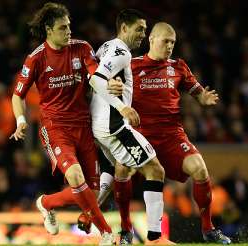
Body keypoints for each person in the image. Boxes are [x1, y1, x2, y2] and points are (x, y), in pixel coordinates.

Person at [80, 22, 232, 244]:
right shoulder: (131, 64)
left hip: (172, 136)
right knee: (122, 170)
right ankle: (126, 229)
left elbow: (197, 91)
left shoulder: (178, 67)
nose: (169, 46)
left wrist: (204, 98)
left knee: (199, 169)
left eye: (173, 42)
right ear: (151, 39)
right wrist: (113, 85)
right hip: (140, 132)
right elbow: (104, 80)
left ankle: (208, 228)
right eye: (165, 41)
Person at [10, 2, 123, 245]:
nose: (68, 31)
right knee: (74, 175)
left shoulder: (82, 48)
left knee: (90, 194)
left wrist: (109, 83)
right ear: (49, 30)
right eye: (63, 28)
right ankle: (105, 233)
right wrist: (20, 121)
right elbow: (17, 95)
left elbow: (95, 75)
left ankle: (46, 203)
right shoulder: (36, 58)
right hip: (55, 127)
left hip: (83, 126)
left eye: (69, 26)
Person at [86, 9, 175, 245]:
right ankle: (156, 239)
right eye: (139, 30)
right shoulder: (121, 51)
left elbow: (92, 77)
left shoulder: (105, 47)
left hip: (99, 125)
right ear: (124, 28)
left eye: (145, 31)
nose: (143, 36)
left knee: (119, 170)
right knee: (155, 170)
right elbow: (95, 79)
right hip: (114, 126)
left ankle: (93, 214)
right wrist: (121, 106)